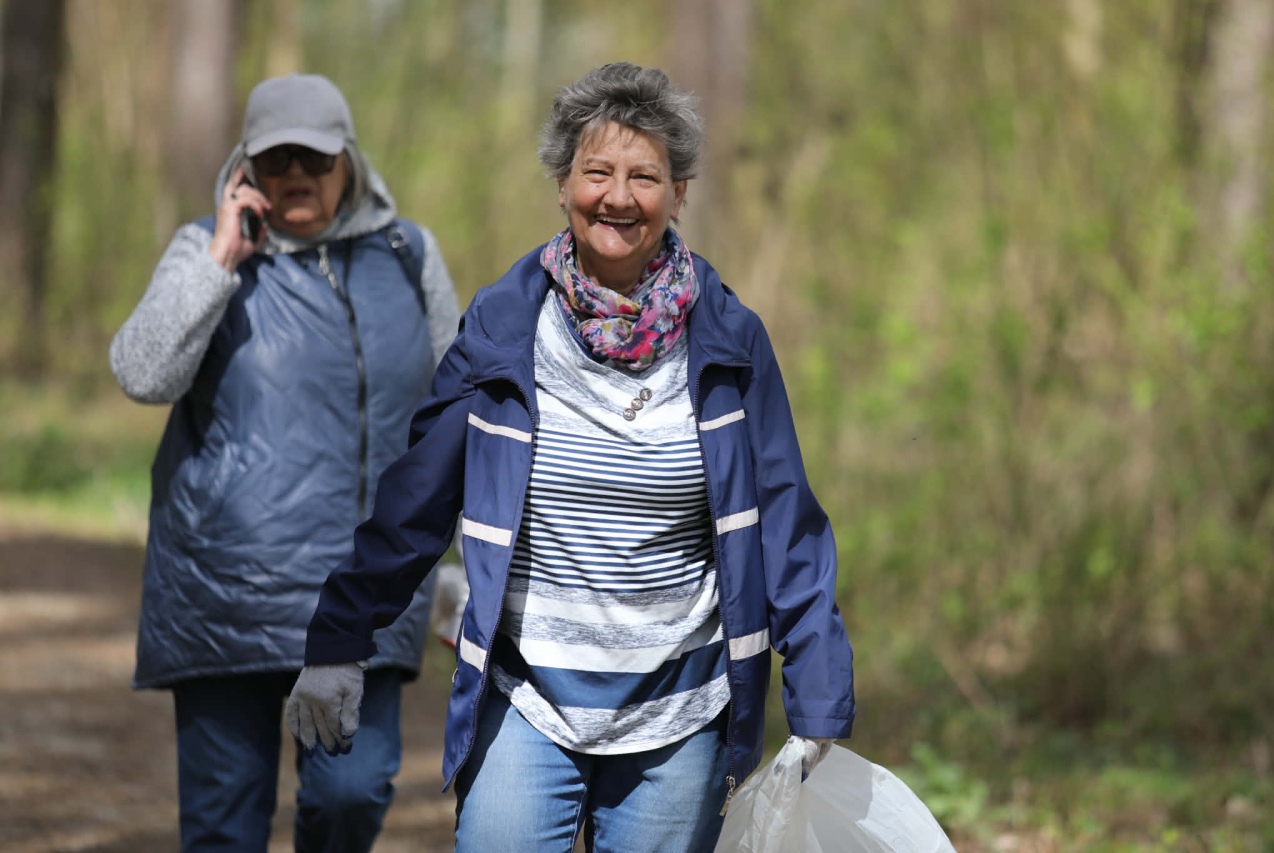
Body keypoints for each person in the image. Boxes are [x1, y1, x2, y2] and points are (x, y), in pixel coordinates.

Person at [286, 62, 855, 852]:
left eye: (645, 176)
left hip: (680, 714)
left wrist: (820, 697)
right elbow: (416, 496)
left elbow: (786, 522)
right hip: (528, 700)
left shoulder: (731, 341)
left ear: (679, 192)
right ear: (562, 183)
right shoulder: (502, 327)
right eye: (597, 172)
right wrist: (340, 636)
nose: (618, 196)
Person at [109, 73, 461, 852]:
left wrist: (463, 556)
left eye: (314, 155)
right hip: (222, 595)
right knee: (223, 829)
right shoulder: (205, 249)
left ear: (349, 162)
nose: (296, 172)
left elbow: (458, 412)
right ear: (246, 168)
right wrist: (219, 261)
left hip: (363, 599)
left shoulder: (409, 255)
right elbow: (141, 373)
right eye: (275, 159)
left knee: (353, 794)